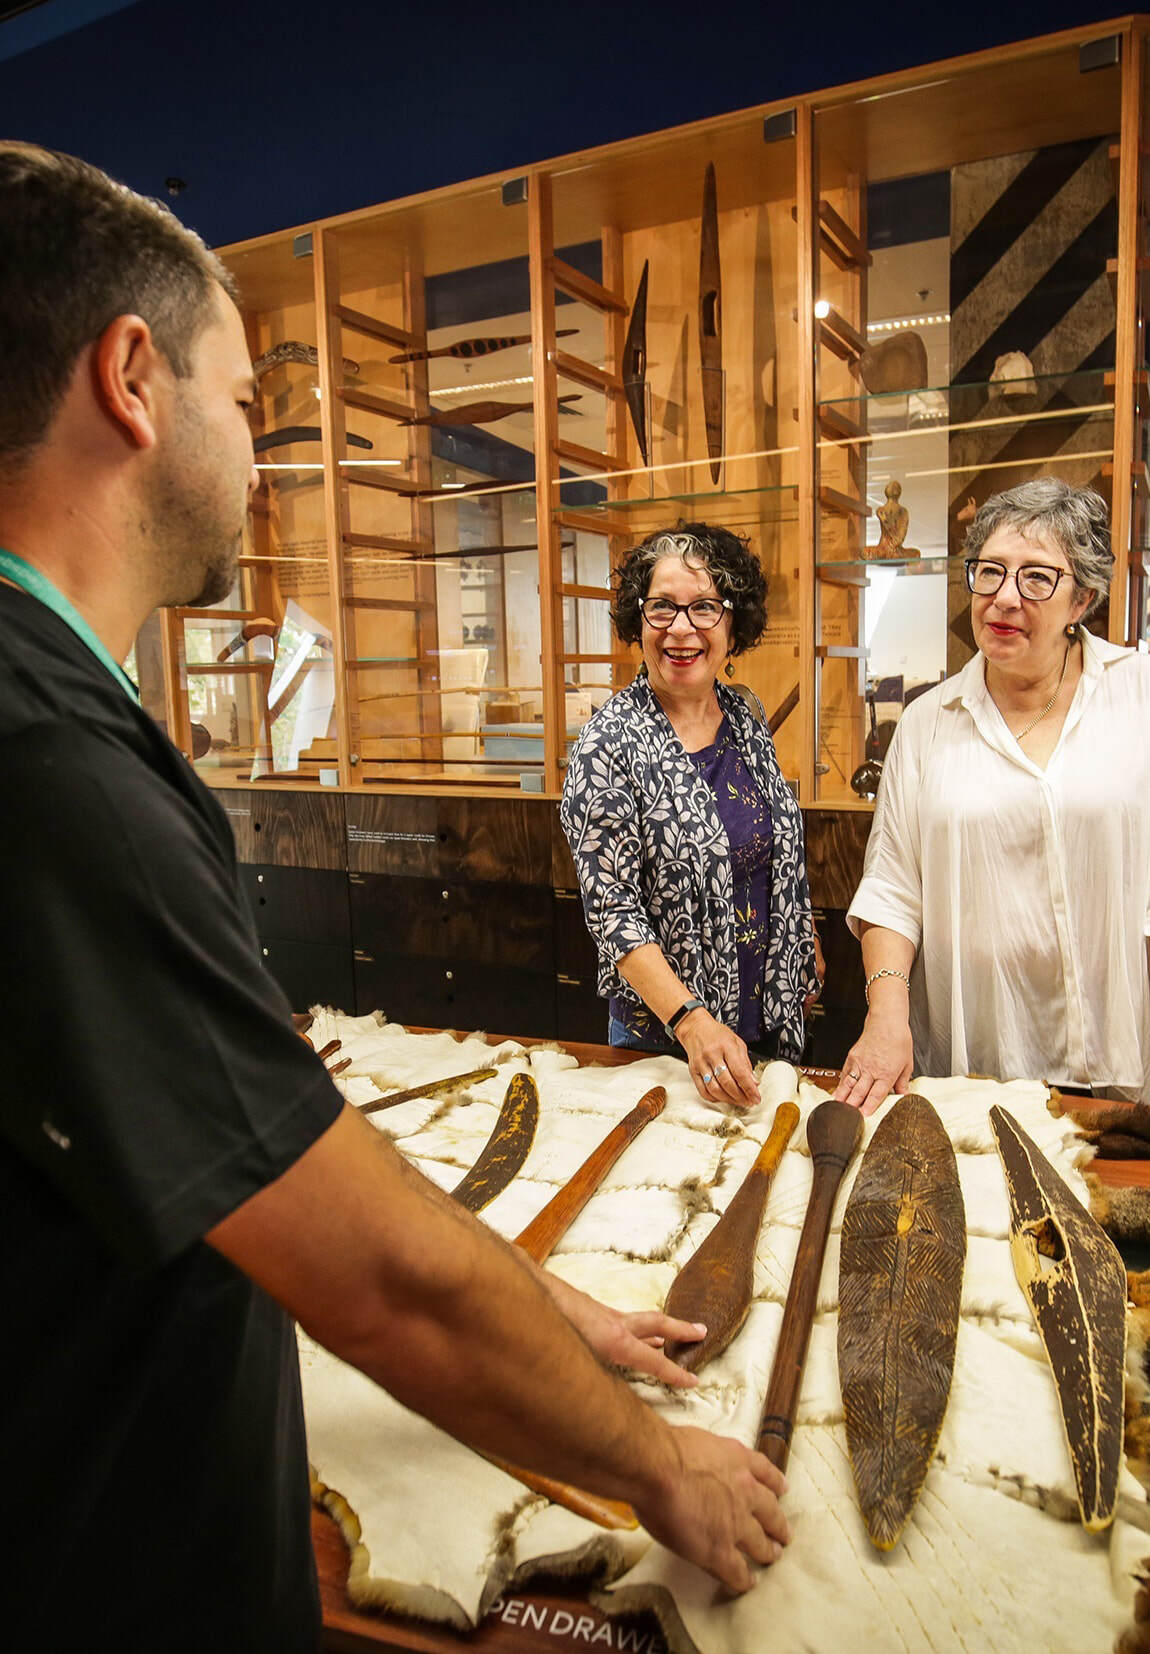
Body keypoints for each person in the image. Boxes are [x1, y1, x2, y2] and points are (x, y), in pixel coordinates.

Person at [0, 145, 790, 1652]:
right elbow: (368, 1275)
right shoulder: (45, 754)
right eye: (244, 404)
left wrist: (558, 1315)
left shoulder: (58, 717)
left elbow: (272, 1141)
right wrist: (652, 1466)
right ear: (131, 379)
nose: (255, 450)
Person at [834, 478, 1150, 1116]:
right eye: (990, 573)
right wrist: (886, 1017)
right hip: (977, 1063)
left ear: (1081, 599)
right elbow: (893, 889)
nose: (1004, 598)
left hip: (1125, 1058)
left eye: (1036, 578)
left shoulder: (1138, 694)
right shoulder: (928, 723)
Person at [561, 523, 821, 1110]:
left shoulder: (745, 715)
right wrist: (690, 1021)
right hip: (669, 1048)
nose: (681, 629)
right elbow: (613, 914)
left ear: (734, 624)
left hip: (768, 1019)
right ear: (638, 620)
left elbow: (772, 842)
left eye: (704, 607)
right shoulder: (608, 746)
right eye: (662, 609)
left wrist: (804, 941)